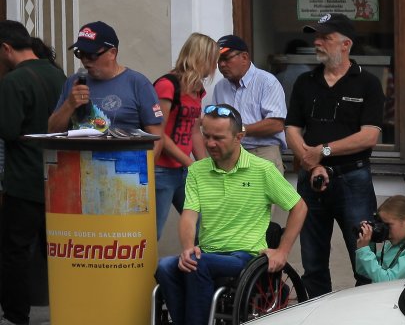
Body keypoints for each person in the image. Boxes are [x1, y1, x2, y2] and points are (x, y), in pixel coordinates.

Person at [154, 105, 306, 325]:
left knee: (198, 265)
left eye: (218, 137)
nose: (210, 143)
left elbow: (299, 207)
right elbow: (189, 216)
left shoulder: (262, 170)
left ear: (239, 137)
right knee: (166, 266)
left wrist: (282, 251)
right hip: (208, 252)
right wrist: (188, 248)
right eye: (206, 135)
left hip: (245, 256)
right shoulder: (197, 170)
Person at [284, 12, 383, 296]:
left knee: (363, 257)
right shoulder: (305, 81)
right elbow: (291, 128)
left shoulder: (367, 82)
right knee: (312, 261)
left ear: (346, 44)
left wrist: (323, 151)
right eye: (316, 37)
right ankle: (317, 315)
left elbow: (369, 135)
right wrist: (311, 162)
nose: (317, 42)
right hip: (311, 180)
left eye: (325, 37)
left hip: (353, 179)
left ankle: (364, 315)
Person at [0, 21, 65, 325]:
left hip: (24, 179)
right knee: (57, 251)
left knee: (14, 251)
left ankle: (16, 320)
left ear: (6, 48)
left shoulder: (14, 81)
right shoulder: (58, 74)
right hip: (58, 178)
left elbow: (8, 130)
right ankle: (64, 316)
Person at [47, 20, 163, 143]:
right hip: (79, 154)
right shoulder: (73, 83)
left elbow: (157, 137)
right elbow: (52, 131)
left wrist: (145, 157)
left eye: (91, 55)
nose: (85, 60)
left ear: (112, 53)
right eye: (80, 54)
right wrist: (69, 105)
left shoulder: (138, 84)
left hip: (123, 154)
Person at [151, 33, 220, 239]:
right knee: (153, 231)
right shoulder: (167, 85)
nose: (215, 67)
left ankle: (200, 260)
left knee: (203, 227)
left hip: (183, 170)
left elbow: (194, 130)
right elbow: (158, 133)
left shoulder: (197, 89)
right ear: (202, 58)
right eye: (213, 60)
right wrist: (190, 163)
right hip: (161, 169)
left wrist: (205, 166)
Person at [208, 34, 288, 171]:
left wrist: (239, 129)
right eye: (218, 60)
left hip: (262, 152)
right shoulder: (220, 87)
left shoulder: (267, 82)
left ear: (244, 57)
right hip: (228, 154)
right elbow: (215, 120)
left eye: (226, 58)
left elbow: (276, 124)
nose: (221, 64)